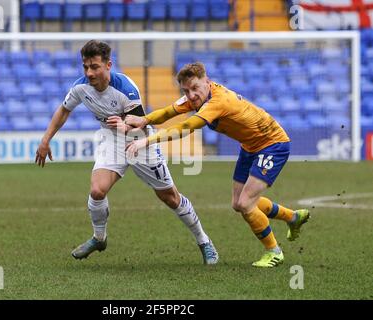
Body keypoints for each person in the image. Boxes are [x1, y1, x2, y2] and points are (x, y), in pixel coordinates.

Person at [35, 41, 218, 265]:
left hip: (139, 142)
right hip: (111, 140)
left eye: (94, 67)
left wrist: (124, 125)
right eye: (85, 67)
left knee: (170, 197)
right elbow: (63, 110)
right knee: (97, 190)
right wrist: (46, 140)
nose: (89, 72)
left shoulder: (125, 88)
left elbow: (141, 124)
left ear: (108, 65)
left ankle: (204, 241)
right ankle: (99, 238)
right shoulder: (80, 87)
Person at [125, 62, 310, 268]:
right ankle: (292, 217)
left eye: (195, 88)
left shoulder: (218, 101)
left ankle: (274, 251)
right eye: (186, 90)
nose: (191, 94)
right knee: (238, 203)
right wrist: (144, 120)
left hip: (272, 144)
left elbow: (186, 127)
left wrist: (146, 140)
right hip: (250, 146)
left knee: (246, 203)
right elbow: (169, 112)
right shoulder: (196, 98)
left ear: (207, 81)